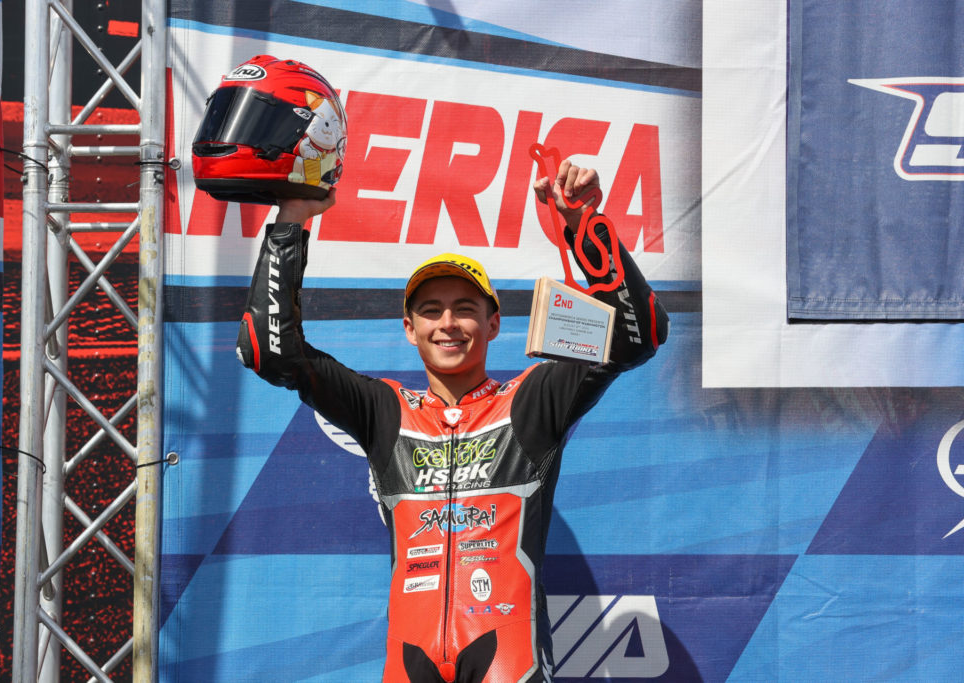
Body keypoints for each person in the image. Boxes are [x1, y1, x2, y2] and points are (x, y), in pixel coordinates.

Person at [236, 161, 669, 682]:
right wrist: (293, 218)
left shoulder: (531, 402)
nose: (447, 323)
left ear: (492, 324)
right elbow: (267, 350)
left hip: (512, 661)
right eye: (430, 310)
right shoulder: (385, 412)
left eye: (464, 308)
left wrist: (583, 228)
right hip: (408, 662)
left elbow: (638, 336)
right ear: (409, 328)